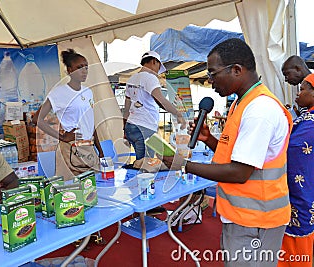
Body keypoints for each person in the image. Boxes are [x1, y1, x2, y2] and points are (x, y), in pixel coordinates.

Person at [162, 38, 293, 266]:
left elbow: (239, 172)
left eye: (213, 73)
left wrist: (182, 164)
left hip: (256, 220)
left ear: (236, 70)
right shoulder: (240, 103)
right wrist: (209, 139)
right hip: (243, 216)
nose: (210, 81)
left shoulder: (259, 110)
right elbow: (237, 156)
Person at [35, 49, 104, 179]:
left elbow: (90, 123)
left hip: (89, 148)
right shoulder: (58, 93)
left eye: (86, 67)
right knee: (71, 192)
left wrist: (100, 151)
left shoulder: (88, 92)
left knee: (93, 191)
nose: (84, 71)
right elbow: (37, 119)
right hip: (70, 149)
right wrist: (63, 137)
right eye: (79, 67)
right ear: (70, 70)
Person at [278, 74, 314, 267]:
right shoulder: (306, 118)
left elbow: (292, 151)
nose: (298, 94)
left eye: (302, 89)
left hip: (299, 195)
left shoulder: (310, 123)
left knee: (295, 249)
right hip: (307, 191)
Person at [123, 51, 184, 160]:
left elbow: (126, 108)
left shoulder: (131, 79)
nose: (157, 71)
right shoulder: (150, 78)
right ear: (154, 61)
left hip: (130, 126)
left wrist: (125, 130)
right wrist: (178, 114)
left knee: (142, 161)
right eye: (158, 67)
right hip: (144, 127)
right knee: (146, 165)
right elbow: (161, 100)